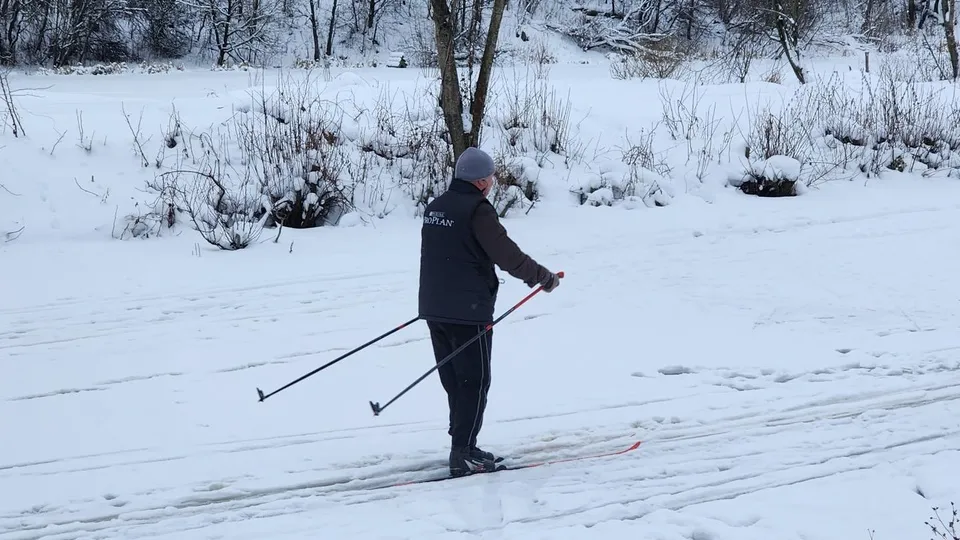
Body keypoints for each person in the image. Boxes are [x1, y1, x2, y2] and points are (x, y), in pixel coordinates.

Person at [418, 146, 561, 477]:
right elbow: (506, 254)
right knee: (474, 381)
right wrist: (543, 277)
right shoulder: (477, 211)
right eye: (492, 177)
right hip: (468, 312)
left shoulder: (435, 207)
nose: (493, 182)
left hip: (434, 309)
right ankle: (464, 451)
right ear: (481, 181)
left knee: (456, 380)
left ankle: (461, 445)